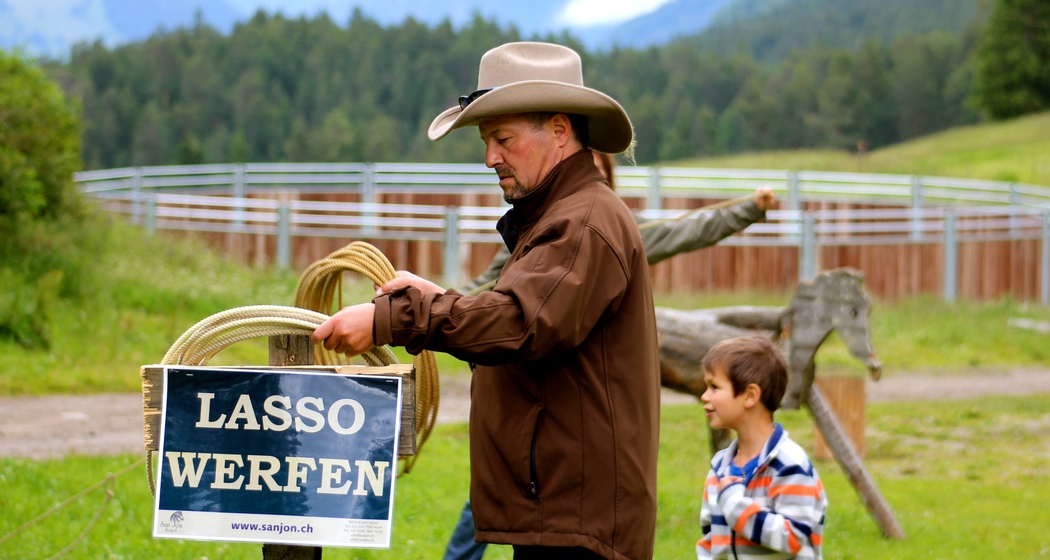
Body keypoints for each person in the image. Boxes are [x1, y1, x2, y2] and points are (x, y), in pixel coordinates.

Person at [313, 42, 661, 560]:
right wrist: (440, 300)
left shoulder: (582, 221)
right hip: (568, 511)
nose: (489, 157)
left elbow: (520, 322)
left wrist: (394, 318)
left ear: (560, 132)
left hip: (577, 519)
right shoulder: (566, 215)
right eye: (486, 141)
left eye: (503, 139)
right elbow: (527, 314)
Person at [444, 154, 776, 560]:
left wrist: (748, 208)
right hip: (529, 419)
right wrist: (441, 310)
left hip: (572, 446)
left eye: (598, 173)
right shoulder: (530, 237)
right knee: (501, 490)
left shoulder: (611, 231)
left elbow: (688, 230)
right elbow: (487, 294)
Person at [696, 336, 827, 560]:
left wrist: (734, 503)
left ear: (750, 396)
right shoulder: (720, 467)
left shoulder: (790, 465)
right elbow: (711, 538)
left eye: (714, 387)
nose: (704, 396)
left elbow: (792, 537)